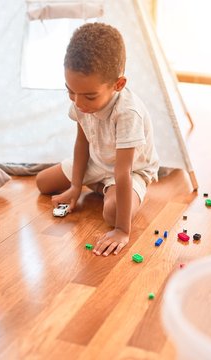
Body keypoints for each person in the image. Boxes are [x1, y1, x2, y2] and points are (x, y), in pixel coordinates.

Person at [36, 22, 159, 257]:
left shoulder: (128, 113)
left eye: (89, 96)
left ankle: (117, 191)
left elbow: (123, 171)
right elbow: (82, 143)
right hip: (98, 161)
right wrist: (74, 187)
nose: (78, 103)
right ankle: (100, 186)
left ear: (118, 84)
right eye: (70, 91)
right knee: (43, 183)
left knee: (112, 215)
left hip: (130, 171)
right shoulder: (81, 100)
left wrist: (123, 230)